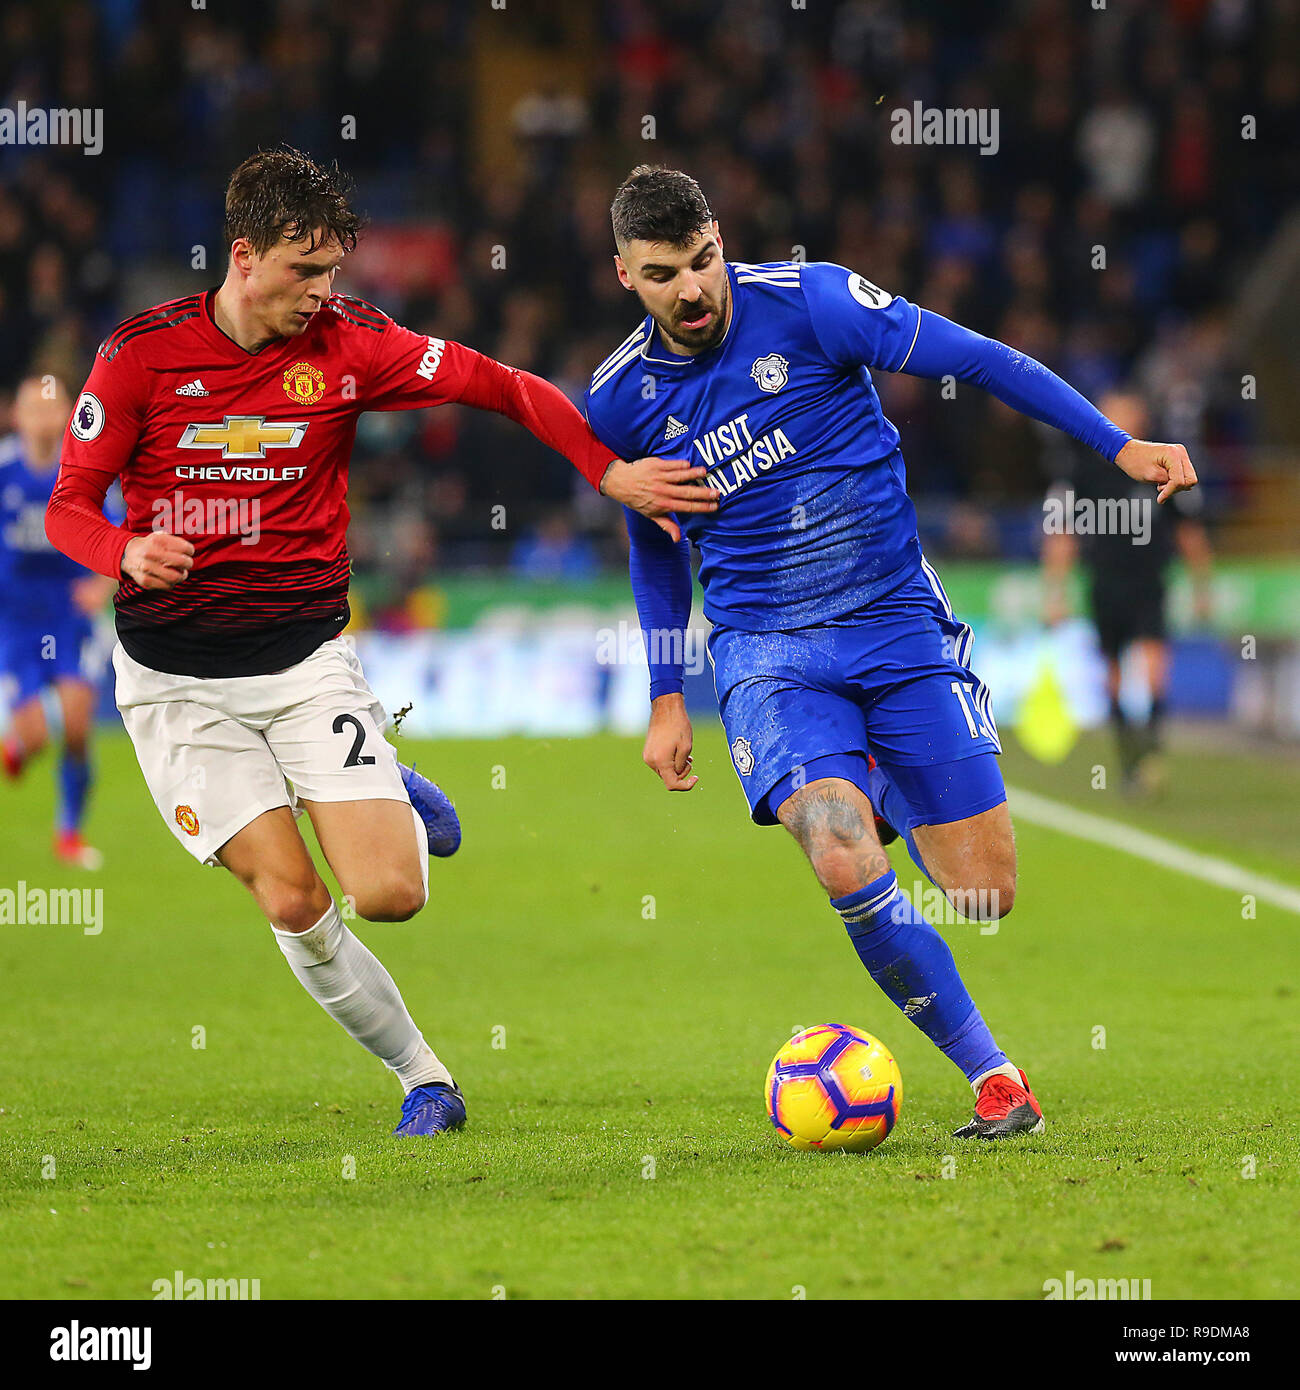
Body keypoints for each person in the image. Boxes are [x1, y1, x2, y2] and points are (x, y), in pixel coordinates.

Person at [45, 147, 717, 1138]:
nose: (324, 296)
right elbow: (67, 507)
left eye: (332, 273)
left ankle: (383, 777)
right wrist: (124, 549)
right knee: (292, 898)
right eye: (303, 273)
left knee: (392, 894)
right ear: (242, 256)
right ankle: (425, 1078)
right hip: (177, 686)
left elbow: (506, 385)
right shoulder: (138, 356)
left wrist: (607, 473)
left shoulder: (356, 344)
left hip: (308, 665)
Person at [584, 166, 1197, 1139]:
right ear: (624, 275)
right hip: (767, 652)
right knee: (834, 842)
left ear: (720, 238)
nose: (693, 290)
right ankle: (996, 1080)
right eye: (664, 275)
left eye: (703, 261)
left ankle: (877, 778)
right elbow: (652, 539)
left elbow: (985, 359)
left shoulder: (814, 301)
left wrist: (1114, 446)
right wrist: (667, 694)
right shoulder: (619, 400)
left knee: (982, 893)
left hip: (897, 625)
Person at [1041, 389, 1213, 794]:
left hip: (1149, 581)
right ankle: (1129, 760)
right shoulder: (1081, 470)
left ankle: (1151, 750)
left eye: (1128, 411)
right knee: (1113, 673)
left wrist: (1202, 585)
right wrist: (1056, 591)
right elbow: (1061, 533)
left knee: (1155, 663)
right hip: (1104, 582)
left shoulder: (1161, 464)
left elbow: (1189, 530)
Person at [1, 376, 117, 867]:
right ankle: (17, 744)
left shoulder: (83, 469)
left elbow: (119, 537)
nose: (45, 419)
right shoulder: (5, 470)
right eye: (35, 409)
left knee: (75, 726)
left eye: (54, 409)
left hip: (69, 620)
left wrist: (100, 586)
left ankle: (68, 832)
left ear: (69, 413)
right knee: (36, 737)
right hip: (16, 623)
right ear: (17, 416)